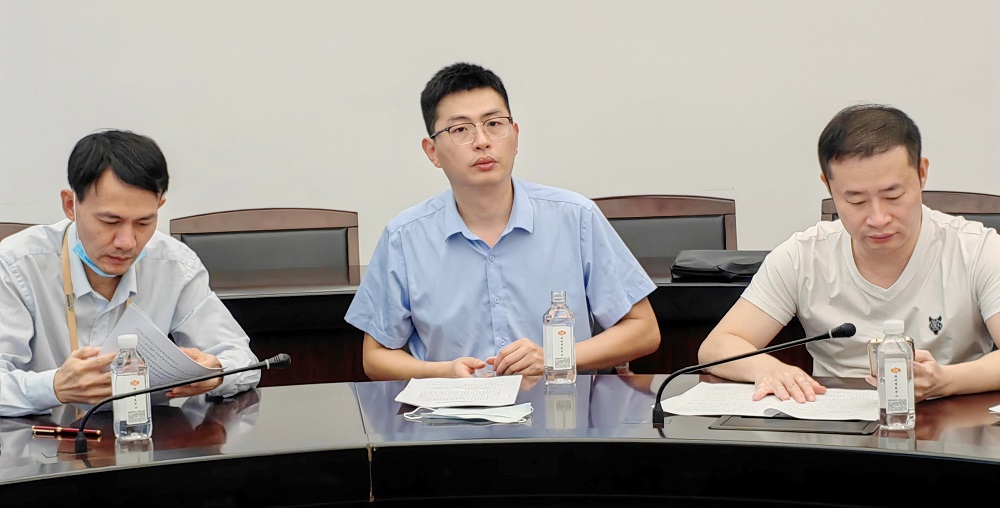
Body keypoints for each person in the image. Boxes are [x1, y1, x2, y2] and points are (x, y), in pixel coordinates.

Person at [345, 62, 660, 380]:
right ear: (432, 152)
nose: (482, 141)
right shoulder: (404, 237)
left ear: (515, 136)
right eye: (460, 129)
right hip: (454, 411)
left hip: (560, 407)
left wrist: (553, 358)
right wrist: (443, 372)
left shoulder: (577, 218)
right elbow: (375, 357)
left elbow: (644, 330)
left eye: (494, 123)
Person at [698, 104, 1000, 403]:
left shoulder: (977, 250)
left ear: (922, 174)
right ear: (828, 186)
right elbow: (716, 347)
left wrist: (945, 381)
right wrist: (767, 368)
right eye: (856, 201)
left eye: (893, 195)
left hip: (955, 418)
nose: (878, 218)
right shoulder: (802, 257)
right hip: (835, 420)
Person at [0, 130, 260, 417]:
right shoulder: (17, 264)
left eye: (144, 222)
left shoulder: (175, 265)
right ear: (70, 205)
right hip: (40, 440)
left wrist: (217, 373)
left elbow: (243, 361)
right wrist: (53, 387)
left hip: (146, 438)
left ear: (159, 207)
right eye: (110, 221)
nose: (127, 242)